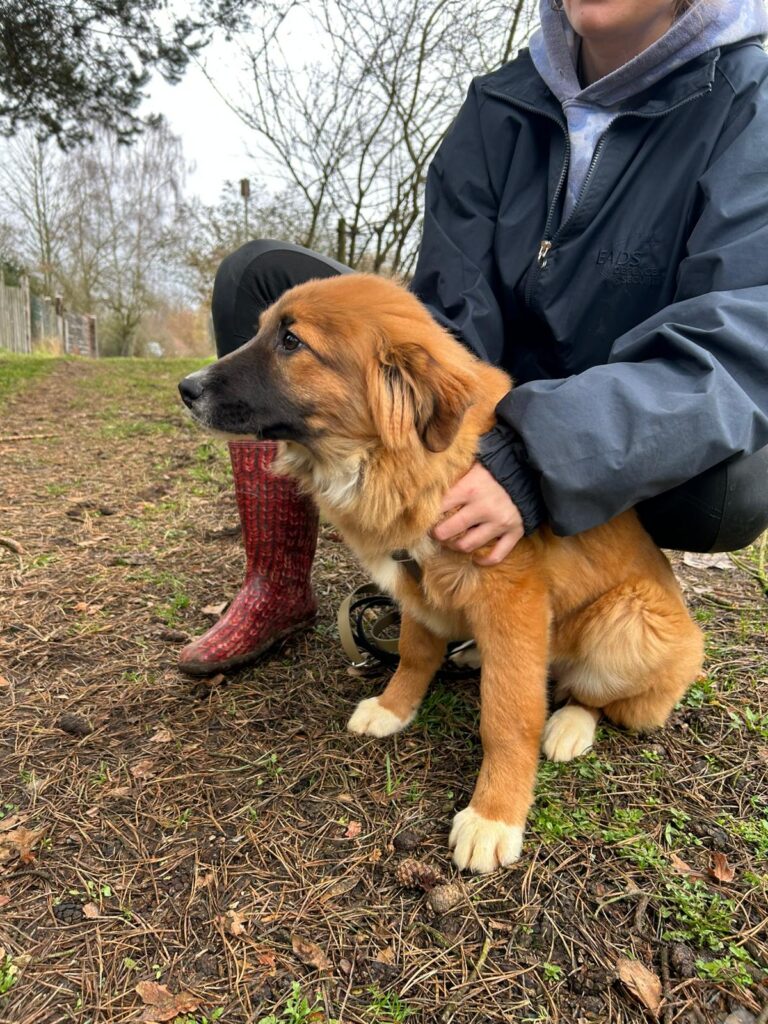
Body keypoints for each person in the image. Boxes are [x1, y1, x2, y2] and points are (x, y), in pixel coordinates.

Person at [178, 0, 768, 676]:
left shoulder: (749, 105)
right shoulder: (499, 102)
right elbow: (448, 313)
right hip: (486, 393)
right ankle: (280, 584)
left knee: (735, 482)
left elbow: (745, 335)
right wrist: (456, 426)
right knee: (259, 277)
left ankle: (560, 583)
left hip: (617, 402)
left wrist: (537, 455)